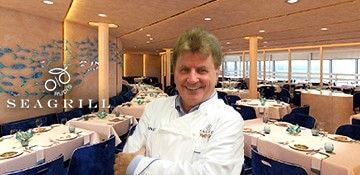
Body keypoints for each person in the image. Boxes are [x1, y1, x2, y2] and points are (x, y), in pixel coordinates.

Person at [114, 28, 244, 175]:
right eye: (184, 70)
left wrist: (138, 165)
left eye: (202, 70)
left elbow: (212, 173)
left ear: (216, 74)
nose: (192, 79)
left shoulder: (229, 120)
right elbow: (125, 161)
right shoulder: (153, 109)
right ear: (174, 73)